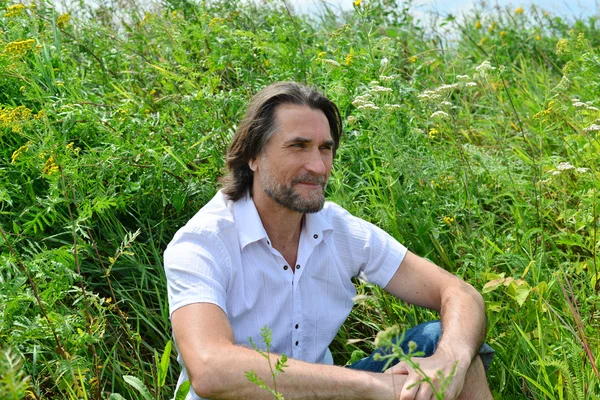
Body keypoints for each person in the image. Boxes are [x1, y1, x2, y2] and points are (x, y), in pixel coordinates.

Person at [164, 81, 494, 400]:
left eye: (326, 148)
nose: (318, 166)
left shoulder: (338, 230)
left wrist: (451, 358)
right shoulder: (203, 242)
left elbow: (460, 294)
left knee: (448, 345)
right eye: (298, 146)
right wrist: (375, 388)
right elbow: (209, 369)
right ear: (253, 157)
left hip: (330, 395)